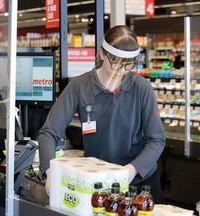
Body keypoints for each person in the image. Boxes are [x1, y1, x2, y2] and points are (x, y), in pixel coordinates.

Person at [38, 25, 165, 203]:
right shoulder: (80, 86)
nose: (121, 71)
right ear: (101, 54)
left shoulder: (141, 88)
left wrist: (132, 169)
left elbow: (157, 139)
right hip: (97, 183)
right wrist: (49, 171)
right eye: (115, 63)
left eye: (128, 65)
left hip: (139, 183)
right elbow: (49, 133)